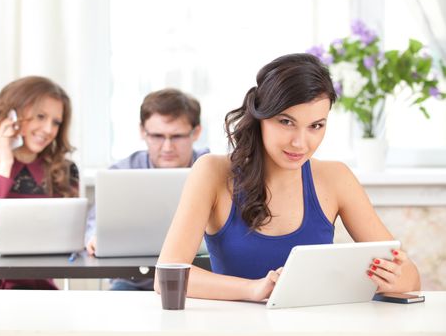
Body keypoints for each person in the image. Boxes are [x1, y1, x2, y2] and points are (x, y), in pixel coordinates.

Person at [155, 53, 421, 301]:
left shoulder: (336, 177)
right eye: (286, 122)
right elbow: (167, 277)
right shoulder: (212, 172)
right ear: (260, 117)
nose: (300, 143)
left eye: (316, 126)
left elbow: (410, 277)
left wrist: (398, 277)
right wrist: (254, 288)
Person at [0, 76, 79, 289]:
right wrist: (5, 163)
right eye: (40, 116)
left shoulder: (64, 172)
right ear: (11, 115)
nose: (48, 129)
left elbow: (67, 243)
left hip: (37, 290)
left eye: (56, 122)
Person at [85, 88, 209, 290]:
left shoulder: (212, 169)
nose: (167, 147)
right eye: (158, 136)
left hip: (197, 280)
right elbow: (95, 222)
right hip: (132, 281)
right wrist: (94, 237)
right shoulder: (122, 172)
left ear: (196, 133)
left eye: (177, 136)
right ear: (142, 131)